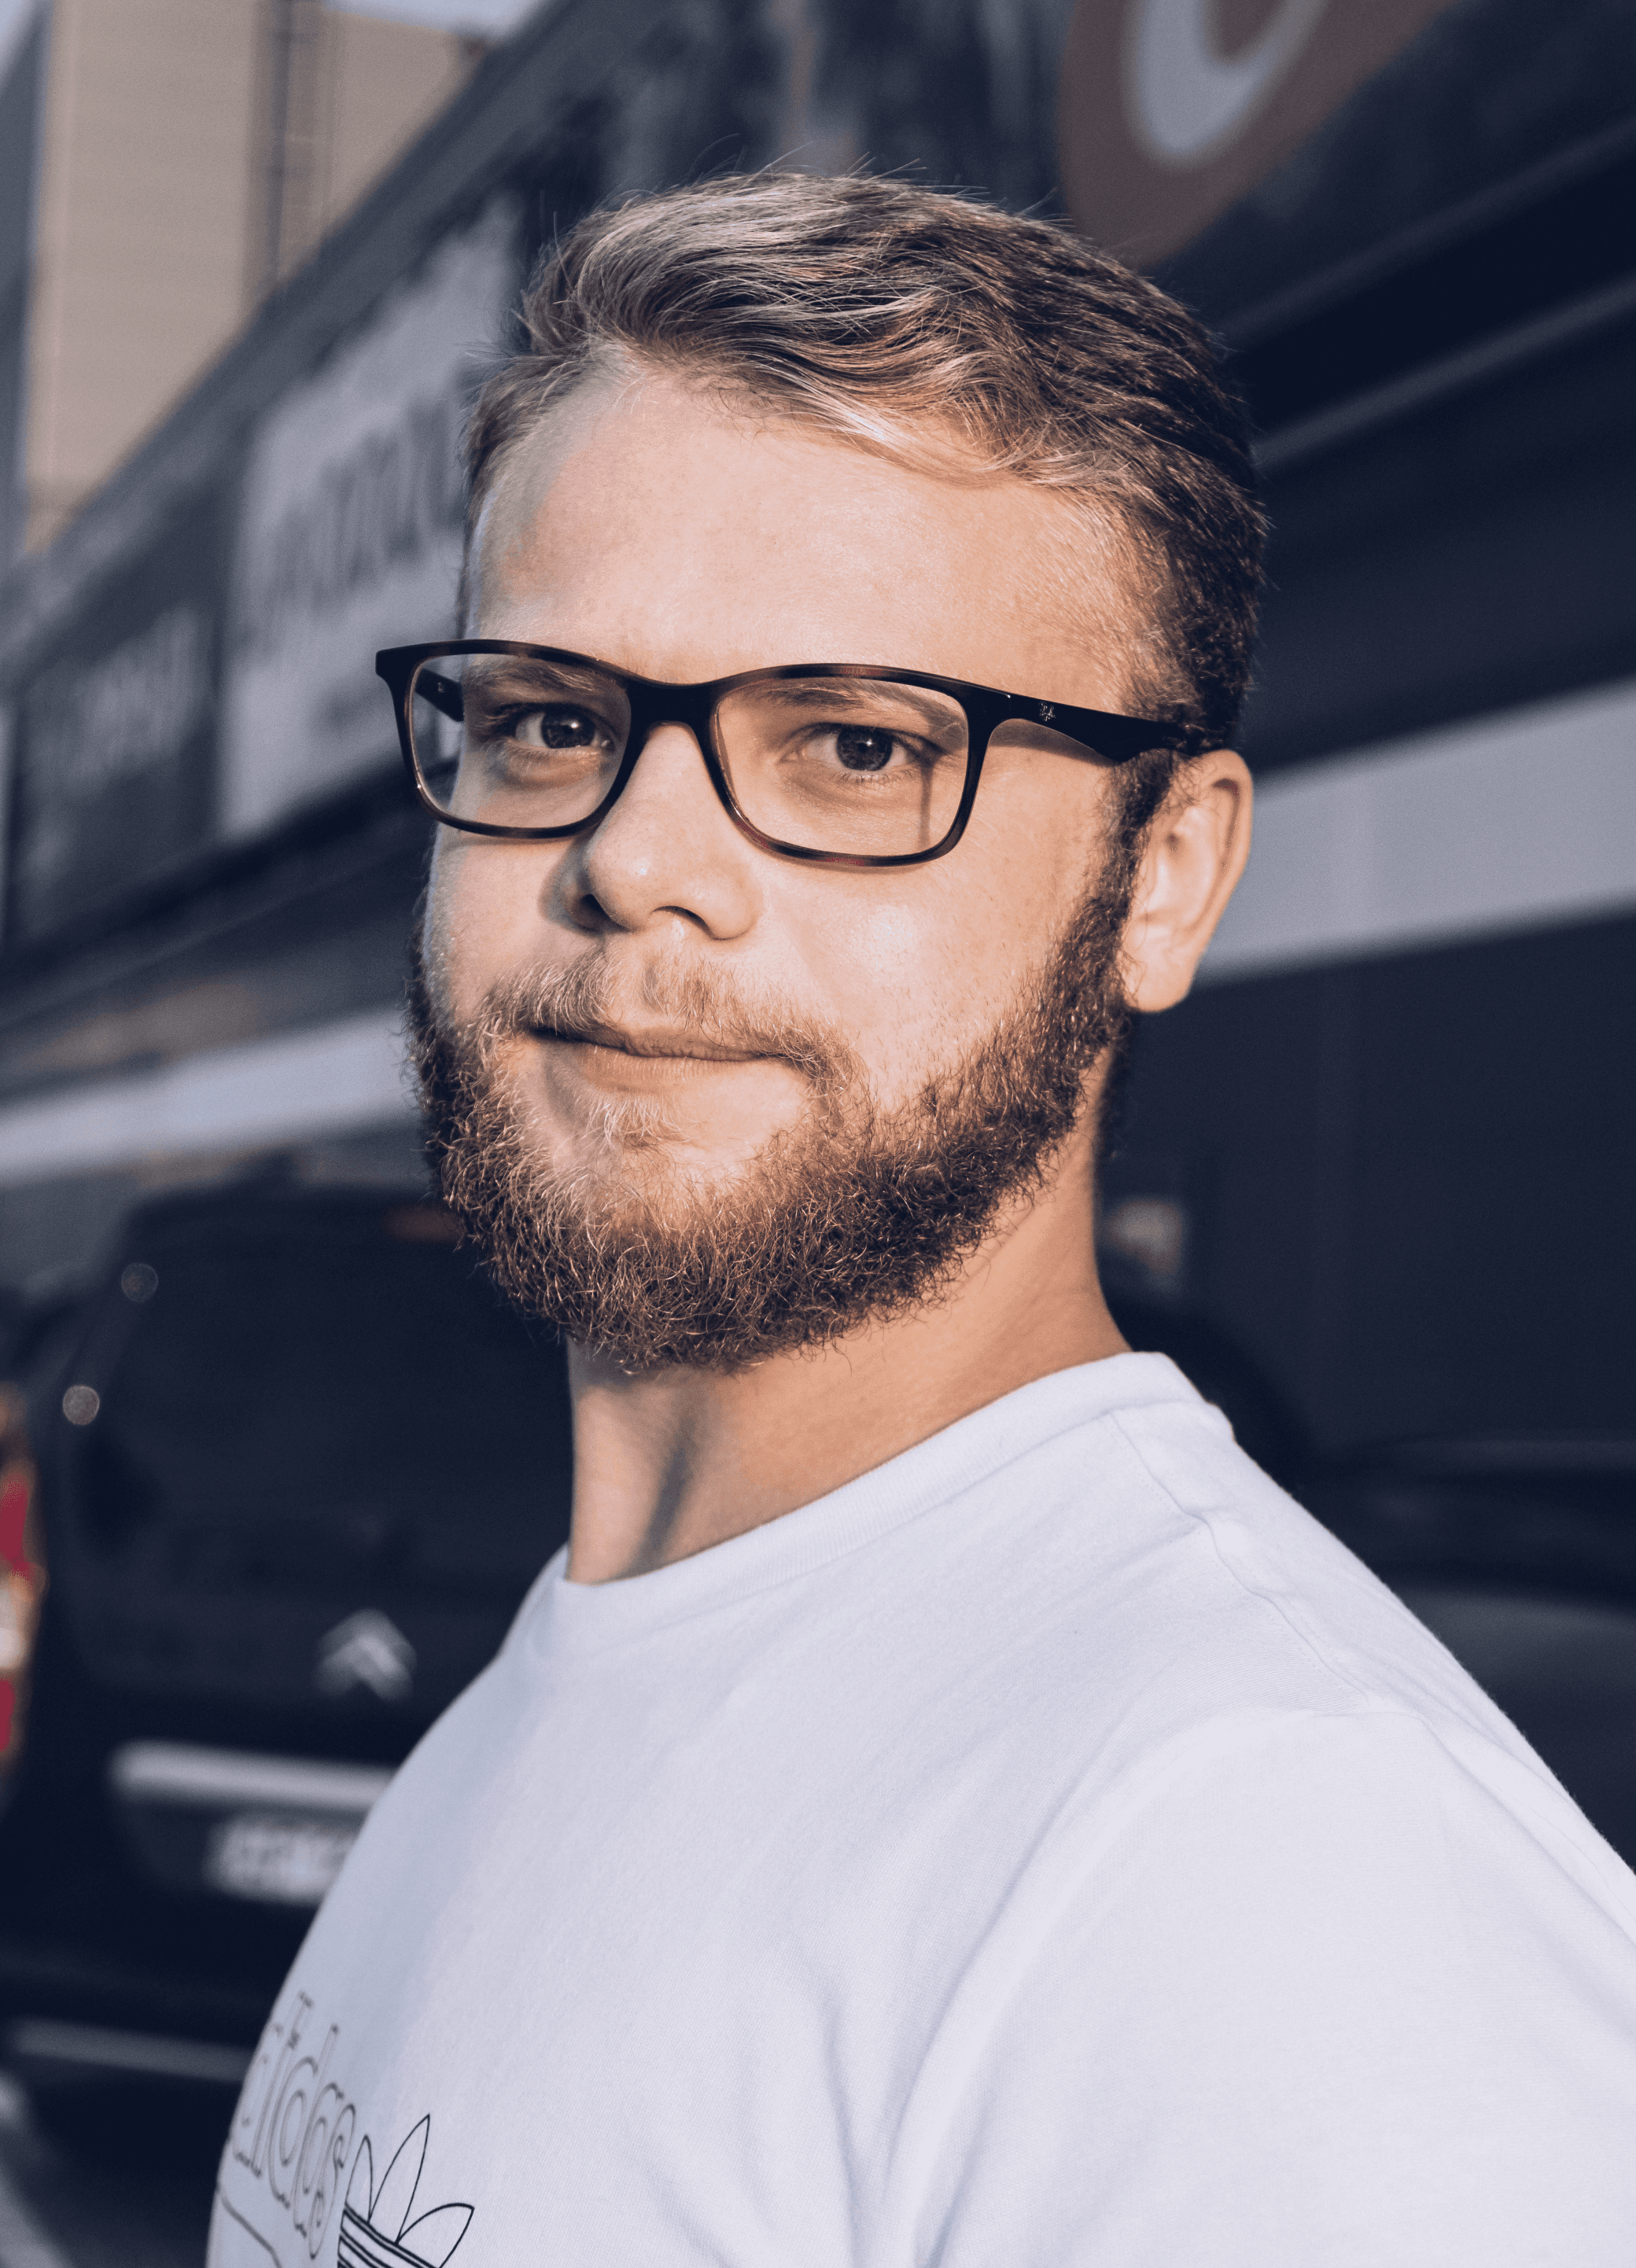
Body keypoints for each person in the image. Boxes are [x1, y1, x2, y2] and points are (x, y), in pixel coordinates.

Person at [209, 175, 1636, 2268]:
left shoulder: (1273, 1897)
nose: (636, 860)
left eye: (859, 746)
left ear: (1164, 877)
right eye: (548, 717)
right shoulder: (574, 1681)